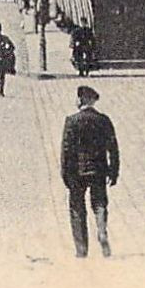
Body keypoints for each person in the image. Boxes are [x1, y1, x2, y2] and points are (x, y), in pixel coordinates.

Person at [60, 85, 119, 258]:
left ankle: (81, 249)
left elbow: (66, 150)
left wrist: (65, 174)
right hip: (99, 170)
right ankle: (101, 231)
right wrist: (113, 171)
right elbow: (113, 148)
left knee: (77, 208)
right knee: (100, 202)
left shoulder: (71, 121)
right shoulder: (104, 120)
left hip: (77, 172)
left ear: (81, 100)